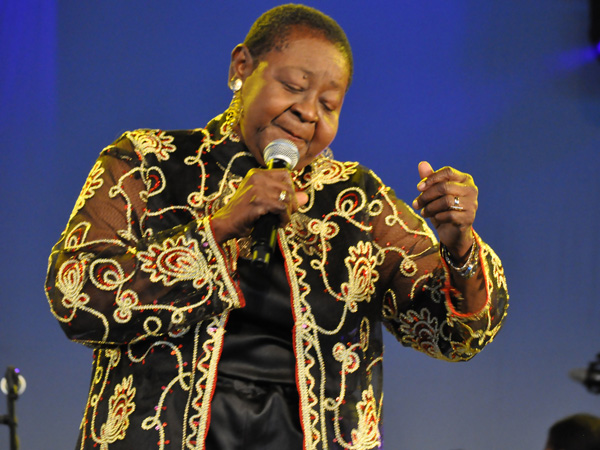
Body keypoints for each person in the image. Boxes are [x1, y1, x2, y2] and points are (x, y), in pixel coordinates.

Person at [44, 4, 509, 449]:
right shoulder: (149, 164)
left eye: (328, 104)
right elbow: (75, 296)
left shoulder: (355, 200)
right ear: (242, 67)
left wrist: (458, 245)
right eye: (292, 86)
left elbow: (454, 336)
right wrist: (219, 228)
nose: (309, 112)